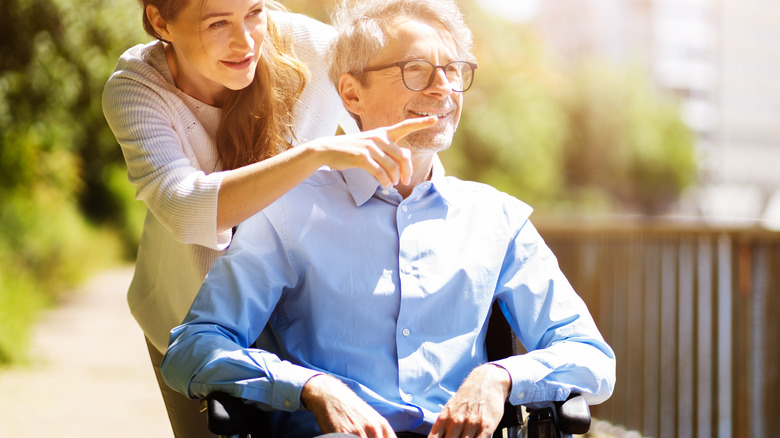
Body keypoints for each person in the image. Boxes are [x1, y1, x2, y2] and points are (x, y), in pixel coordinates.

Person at [160, 0, 616, 437]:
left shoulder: (499, 220)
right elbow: (192, 349)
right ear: (352, 93)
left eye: (453, 71)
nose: (444, 89)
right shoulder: (287, 213)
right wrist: (311, 388)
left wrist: (500, 377)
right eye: (416, 71)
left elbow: (590, 356)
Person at [102, 0, 435, 436]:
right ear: (160, 21)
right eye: (217, 23)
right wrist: (315, 155)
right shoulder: (136, 88)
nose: (245, 41)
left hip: (303, 326)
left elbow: (389, 157)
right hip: (195, 328)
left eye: (254, 12)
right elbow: (186, 208)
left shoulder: (316, 49)